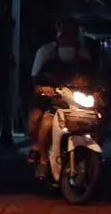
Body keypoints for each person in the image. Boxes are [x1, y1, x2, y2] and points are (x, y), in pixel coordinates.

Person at [28, 18, 98, 167]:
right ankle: (42, 160)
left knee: (98, 117)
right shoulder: (46, 54)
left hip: (75, 100)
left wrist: (97, 91)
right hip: (52, 100)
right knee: (42, 122)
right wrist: (43, 89)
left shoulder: (84, 55)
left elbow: (92, 78)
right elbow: (36, 79)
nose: (68, 38)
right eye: (65, 34)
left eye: (71, 34)